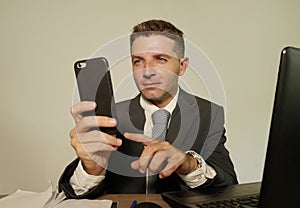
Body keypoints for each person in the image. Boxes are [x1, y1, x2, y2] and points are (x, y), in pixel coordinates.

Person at [59, 19, 238, 199]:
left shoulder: (209, 113)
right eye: (138, 61)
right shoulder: (112, 118)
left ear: (182, 66)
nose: (146, 72)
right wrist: (91, 171)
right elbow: (71, 195)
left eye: (160, 59)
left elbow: (228, 187)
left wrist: (189, 165)